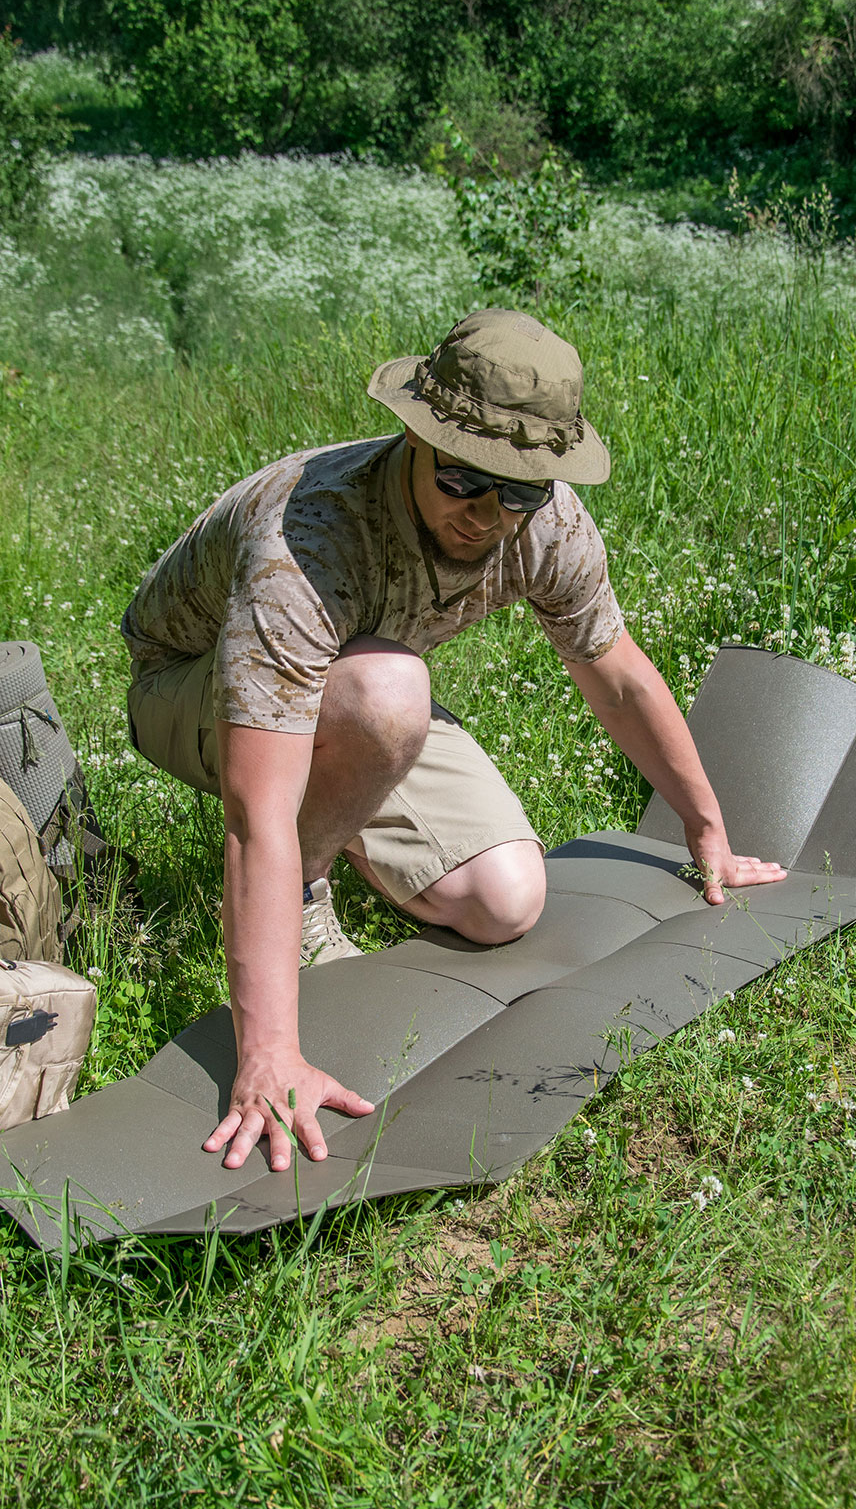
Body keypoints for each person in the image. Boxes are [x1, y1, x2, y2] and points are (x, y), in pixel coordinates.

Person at [122, 309, 785, 1174]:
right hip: (191, 688)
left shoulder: (545, 523)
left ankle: (350, 796)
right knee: (388, 696)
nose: (487, 513)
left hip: (359, 689)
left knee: (505, 901)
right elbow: (257, 818)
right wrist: (269, 1055)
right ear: (413, 437)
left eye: (518, 489)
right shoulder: (310, 540)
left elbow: (616, 676)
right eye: (465, 479)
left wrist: (705, 830)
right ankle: (309, 893)